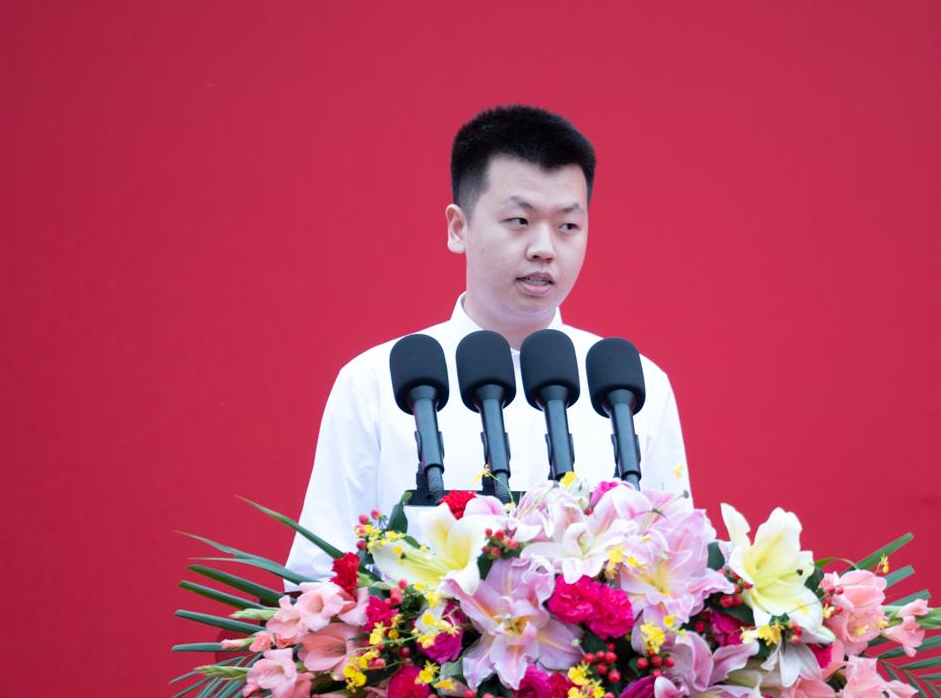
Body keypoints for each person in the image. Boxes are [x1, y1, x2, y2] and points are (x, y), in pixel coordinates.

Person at [284, 105, 692, 582]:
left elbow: (679, 567)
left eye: (567, 226)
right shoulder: (375, 381)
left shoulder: (633, 386)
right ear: (459, 228)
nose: (544, 248)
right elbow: (319, 576)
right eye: (519, 220)